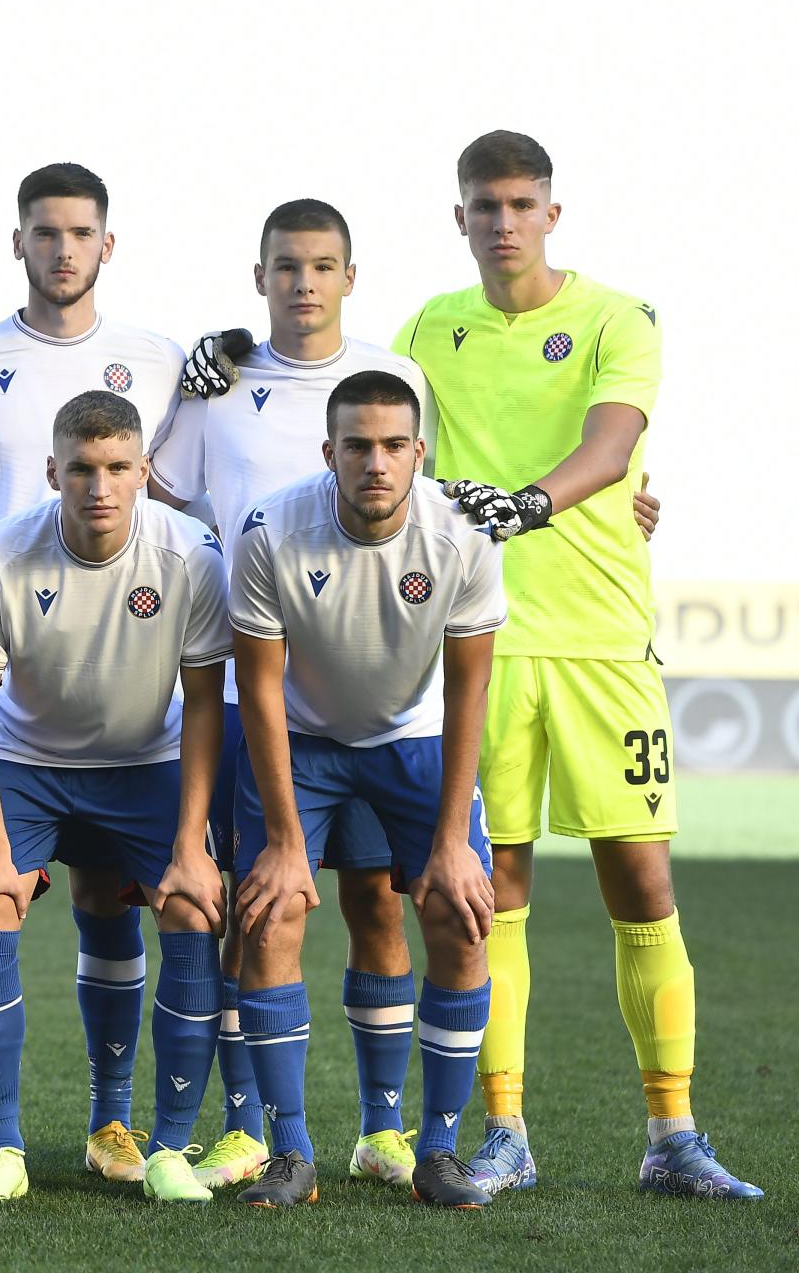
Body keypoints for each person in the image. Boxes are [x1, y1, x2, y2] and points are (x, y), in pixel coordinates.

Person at [394, 130, 760, 1199]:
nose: (502, 221)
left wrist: (533, 503)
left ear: (553, 212)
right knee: (489, 892)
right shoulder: (426, 330)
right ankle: (505, 1130)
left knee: (641, 883)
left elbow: (611, 447)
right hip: (483, 643)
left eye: (519, 203)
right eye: (483, 205)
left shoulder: (620, 318)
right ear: (458, 217)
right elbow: (373, 441)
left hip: (603, 637)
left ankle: (672, 1136)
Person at [0, 161, 185, 1183]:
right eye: (44, 232)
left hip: (121, 690)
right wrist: (6, 559)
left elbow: (190, 480)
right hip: (4, 686)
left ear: (108, 244)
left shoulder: (159, 359)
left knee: (113, 902)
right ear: (16, 241)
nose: (63, 250)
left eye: (81, 233)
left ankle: (115, 1123)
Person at [146, 199, 431, 1192]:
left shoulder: (393, 382)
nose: (303, 282)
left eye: (321, 266)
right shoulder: (219, 386)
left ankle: (384, 1129)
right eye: (285, 266)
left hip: (370, 695)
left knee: (375, 901)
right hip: (245, 683)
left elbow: (426, 499)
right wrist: (181, 387)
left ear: (350, 275)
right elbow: (158, 492)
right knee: (254, 903)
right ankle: (250, 1129)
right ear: (257, 276)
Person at [228, 370, 504, 1209]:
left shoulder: (462, 534)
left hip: (412, 739)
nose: (376, 463)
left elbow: (469, 692)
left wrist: (453, 841)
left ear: (420, 453)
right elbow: (261, 690)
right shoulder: (271, 529)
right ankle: (291, 1154)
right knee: (272, 911)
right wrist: (282, 839)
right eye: (358, 446)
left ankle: (441, 1151)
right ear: (330, 453)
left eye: (393, 446)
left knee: (459, 909)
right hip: (301, 739)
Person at [0, 390, 229, 1204]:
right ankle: (4, 1148)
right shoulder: (0, 554)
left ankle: (156, 1143)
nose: (99, 487)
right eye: (81, 469)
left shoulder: (191, 554)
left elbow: (205, 700)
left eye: (116, 469)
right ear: (52, 472)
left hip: (146, 762)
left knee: (188, 905)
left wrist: (189, 845)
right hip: (27, 760)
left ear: (144, 471)